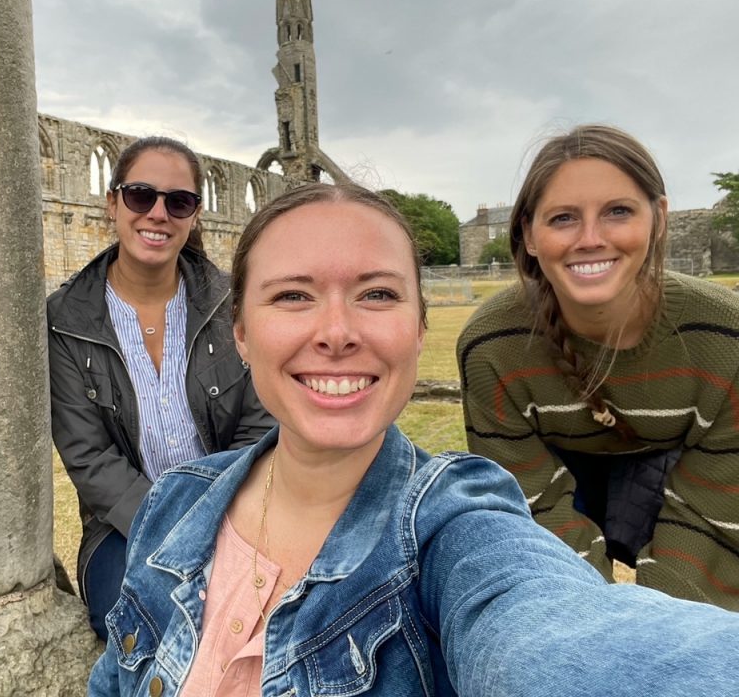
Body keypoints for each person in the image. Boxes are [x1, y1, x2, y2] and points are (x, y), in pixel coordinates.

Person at [89, 182, 739, 697]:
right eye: (292, 295)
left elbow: (549, 632)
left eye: (376, 293)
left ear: (419, 329)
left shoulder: (454, 529)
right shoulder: (177, 502)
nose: (336, 331)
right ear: (240, 333)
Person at [458, 124, 739, 610]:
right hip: (563, 471)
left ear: (658, 218)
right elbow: (533, 504)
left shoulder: (725, 337)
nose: (590, 239)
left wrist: (662, 628)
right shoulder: (493, 346)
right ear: (528, 234)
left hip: (670, 465)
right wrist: (594, 620)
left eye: (618, 211)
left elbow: (712, 516)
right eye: (563, 218)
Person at [46, 136, 272, 640]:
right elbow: (88, 457)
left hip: (237, 514)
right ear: (112, 203)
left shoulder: (231, 304)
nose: (158, 214)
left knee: (269, 624)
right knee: (150, 627)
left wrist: (216, 516)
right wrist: (173, 528)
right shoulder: (65, 318)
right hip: (124, 531)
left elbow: (260, 424)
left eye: (179, 201)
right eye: (140, 196)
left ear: (195, 214)